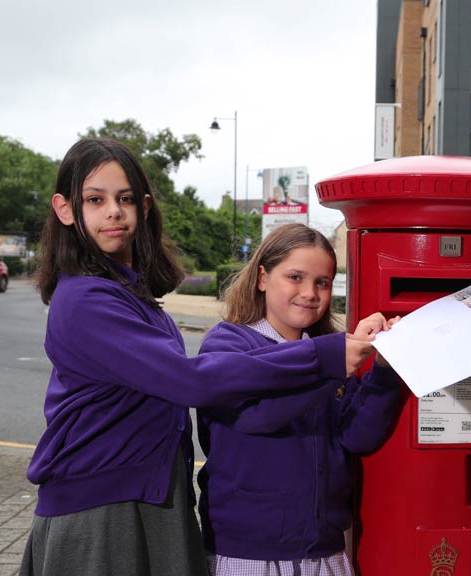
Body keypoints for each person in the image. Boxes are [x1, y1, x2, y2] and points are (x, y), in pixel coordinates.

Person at [21, 138, 379, 576]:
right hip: (104, 507)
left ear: (145, 207)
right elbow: (193, 382)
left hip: (147, 498)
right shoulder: (85, 300)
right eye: (95, 199)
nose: (113, 211)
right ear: (65, 210)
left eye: (126, 198)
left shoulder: (127, 294)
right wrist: (325, 357)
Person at [196, 223, 403, 576]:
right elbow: (256, 416)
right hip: (249, 552)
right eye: (295, 277)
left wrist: (384, 369)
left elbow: (357, 437)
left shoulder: (328, 354)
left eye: (322, 282)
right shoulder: (228, 344)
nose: (310, 292)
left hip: (324, 551)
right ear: (262, 277)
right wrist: (331, 365)